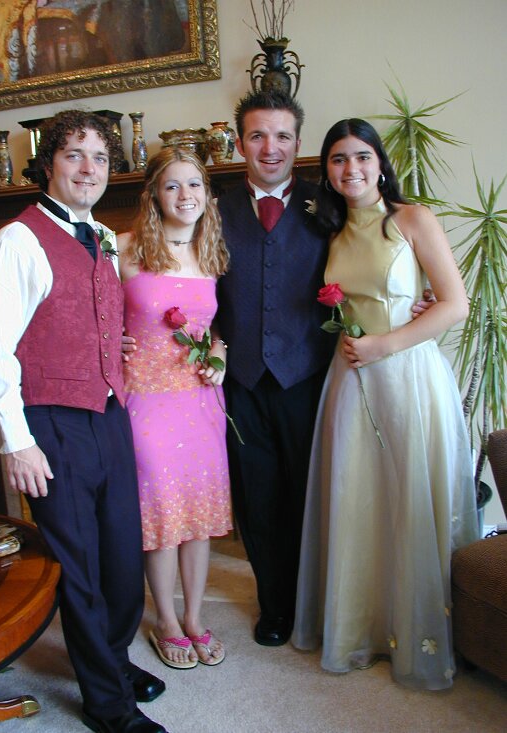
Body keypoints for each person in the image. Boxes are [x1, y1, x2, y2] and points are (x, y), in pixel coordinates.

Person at [0, 110, 168, 733]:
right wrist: (16, 442)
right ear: (48, 164)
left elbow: (87, 316)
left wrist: (110, 346)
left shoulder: (102, 236)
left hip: (108, 413)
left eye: (100, 157)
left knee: (121, 558)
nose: (89, 168)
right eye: (74, 154)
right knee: (79, 568)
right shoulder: (16, 242)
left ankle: (110, 661)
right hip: (50, 422)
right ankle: (108, 705)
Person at [291, 118, 479, 690]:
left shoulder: (412, 219)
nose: (351, 168)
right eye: (338, 159)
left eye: (361, 156)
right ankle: (365, 626)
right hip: (350, 380)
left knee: (409, 494)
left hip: (407, 375)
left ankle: (421, 630)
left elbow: (455, 304)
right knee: (361, 498)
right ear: (326, 170)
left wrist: (385, 344)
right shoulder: (329, 232)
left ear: (379, 162)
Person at [216, 90, 335, 646]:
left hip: (309, 377)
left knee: (313, 494)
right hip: (241, 382)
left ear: (297, 143)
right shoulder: (210, 208)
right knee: (258, 499)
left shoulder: (328, 205)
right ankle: (276, 606)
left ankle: (322, 604)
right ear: (240, 143)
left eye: (282, 135)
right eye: (258, 135)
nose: (271, 147)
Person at [117, 148, 231, 669]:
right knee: (161, 511)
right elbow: (93, 313)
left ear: (207, 194)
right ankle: (164, 619)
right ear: (154, 196)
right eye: (172, 186)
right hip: (145, 399)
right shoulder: (124, 249)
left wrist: (220, 355)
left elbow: (215, 330)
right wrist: (109, 342)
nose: (186, 196)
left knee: (199, 515)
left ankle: (194, 616)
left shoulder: (211, 254)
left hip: (199, 400)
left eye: (194, 185)